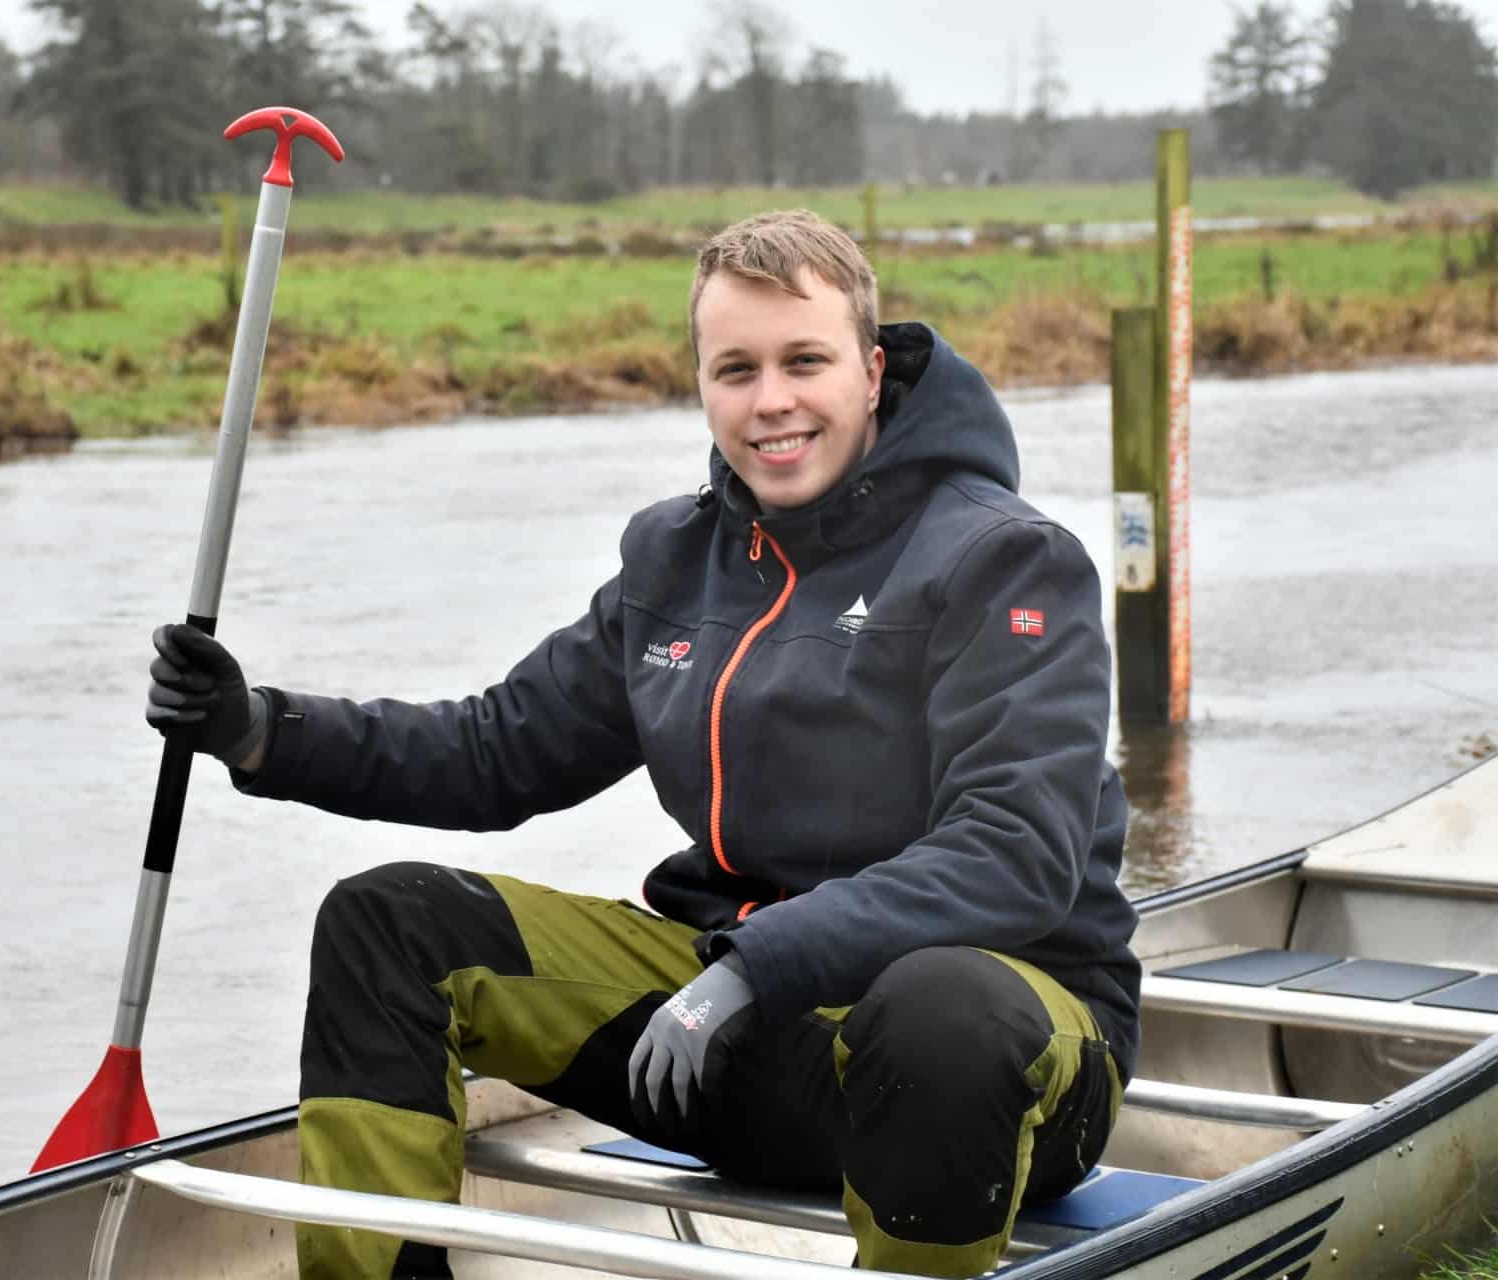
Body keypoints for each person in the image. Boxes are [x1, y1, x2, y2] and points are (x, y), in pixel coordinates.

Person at [145, 208, 1140, 1279]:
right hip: (731, 1031)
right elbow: (496, 749)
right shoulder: (674, 558)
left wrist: (752, 967)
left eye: (804, 360)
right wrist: (259, 731)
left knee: (944, 1009)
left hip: (996, 1063)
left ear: (869, 365)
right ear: (702, 383)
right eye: (735, 368)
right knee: (388, 924)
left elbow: (1014, 852)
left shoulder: (1008, 562)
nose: (772, 402)